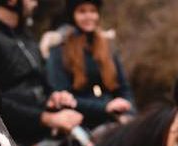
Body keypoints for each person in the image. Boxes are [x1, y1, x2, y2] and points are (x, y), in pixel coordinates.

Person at [0, 0, 83, 146]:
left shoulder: (24, 35)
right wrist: (47, 118)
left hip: (41, 129)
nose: (35, 3)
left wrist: (53, 98)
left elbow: (38, 82)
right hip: (6, 138)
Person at [46, 0, 136, 131]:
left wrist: (129, 110)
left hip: (114, 117)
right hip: (80, 122)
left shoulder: (108, 46)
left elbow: (124, 88)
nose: (89, 16)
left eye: (92, 11)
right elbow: (62, 96)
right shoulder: (59, 50)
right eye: (82, 11)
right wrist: (105, 107)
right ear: (73, 15)